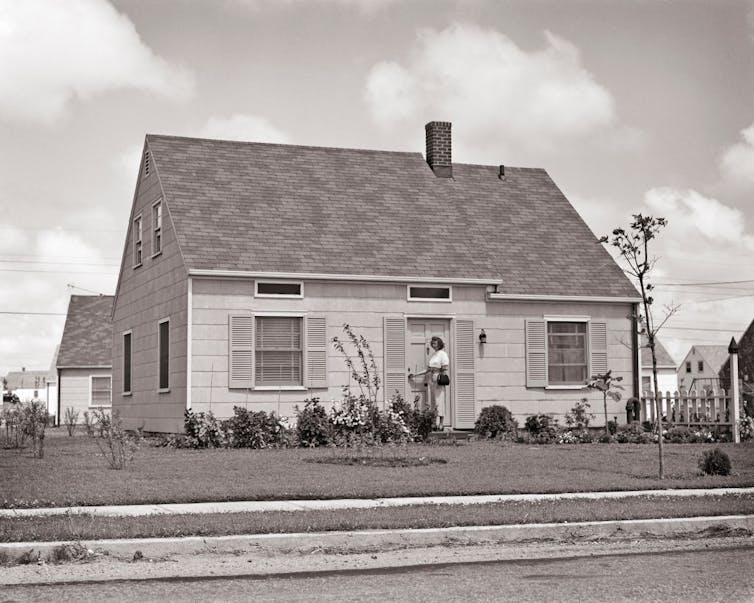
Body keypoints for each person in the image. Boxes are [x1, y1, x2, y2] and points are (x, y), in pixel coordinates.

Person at [409, 336, 450, 428]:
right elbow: (427, 370)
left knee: (440, 401)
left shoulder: (442, 354)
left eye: (434, 343)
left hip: (438, 379)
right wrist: (415, 375)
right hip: (431, 379)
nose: (433, 344)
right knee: (433, 401)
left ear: (439, 344)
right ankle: (435, 423)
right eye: (432, 343)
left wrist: (439, 377)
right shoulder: (434, 355)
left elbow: (445, 368)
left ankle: (441, 424)